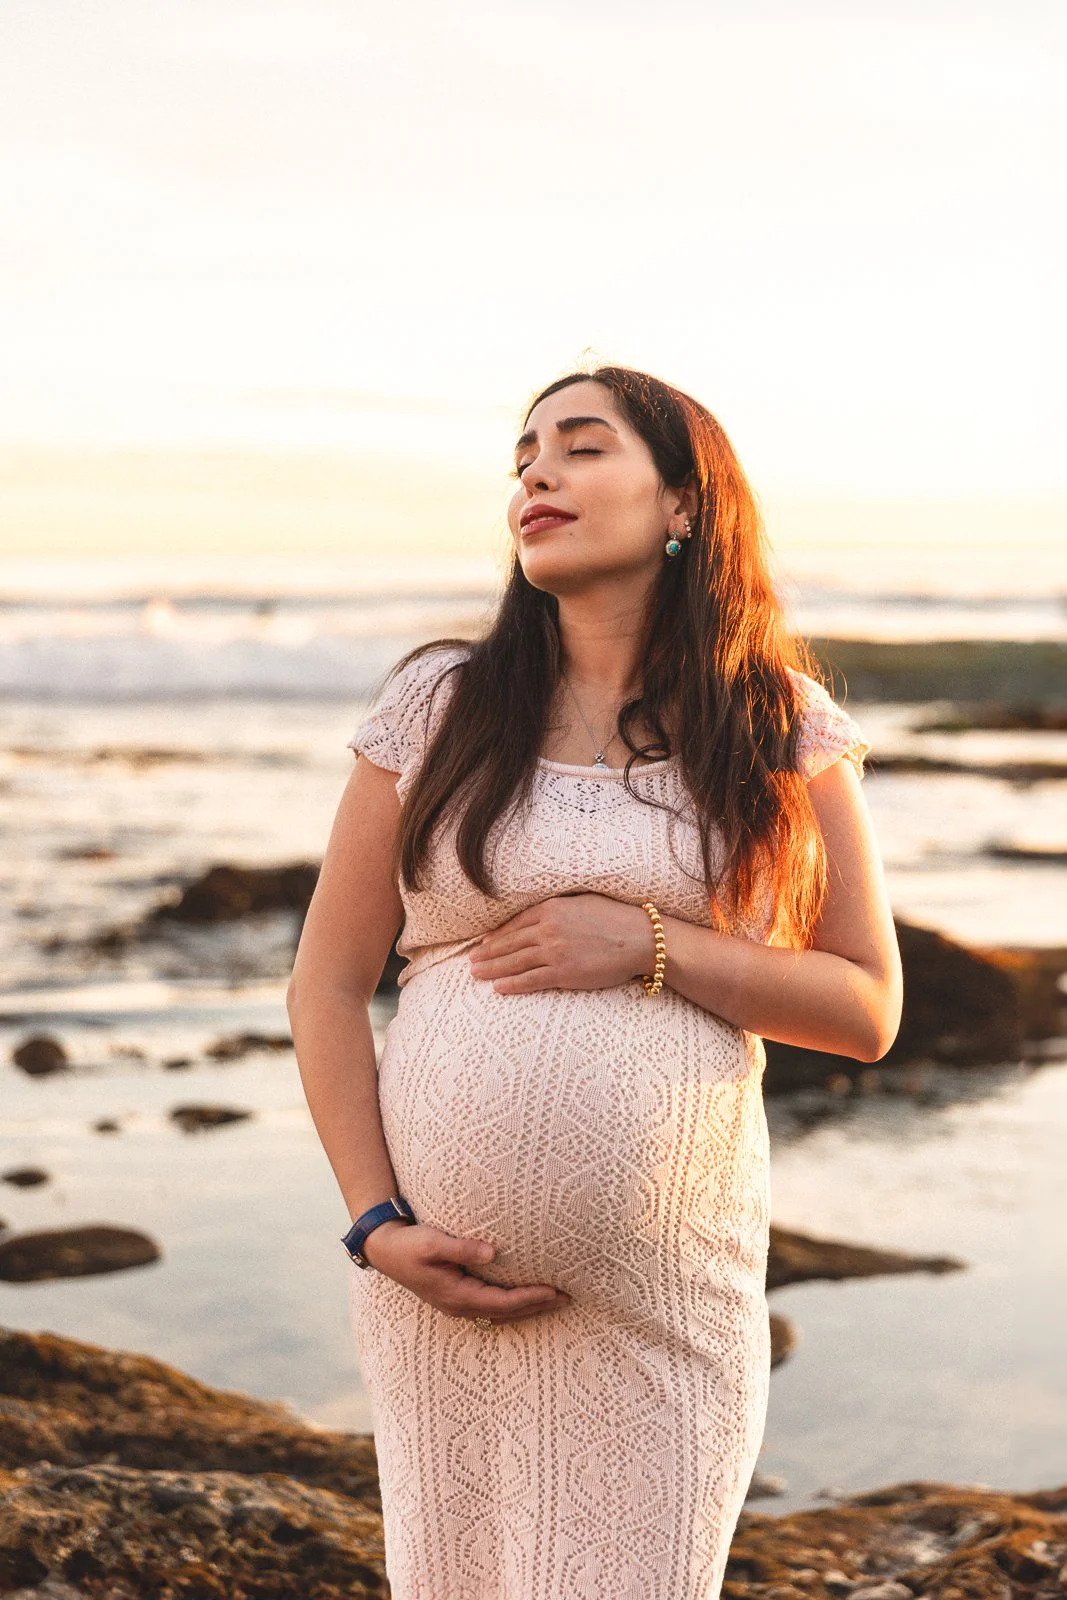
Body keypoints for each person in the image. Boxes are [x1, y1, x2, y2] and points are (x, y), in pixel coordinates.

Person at [287, 364, 903, 1599]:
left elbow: (865, 1007)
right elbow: (325, 983)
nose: (535, 474)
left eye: (580, 447)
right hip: (430, 1288)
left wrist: (652, 947)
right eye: (523, 456)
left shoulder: (773, 720)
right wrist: (374, 1223)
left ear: (683, 503)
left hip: (659, 1304)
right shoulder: (439, 704)